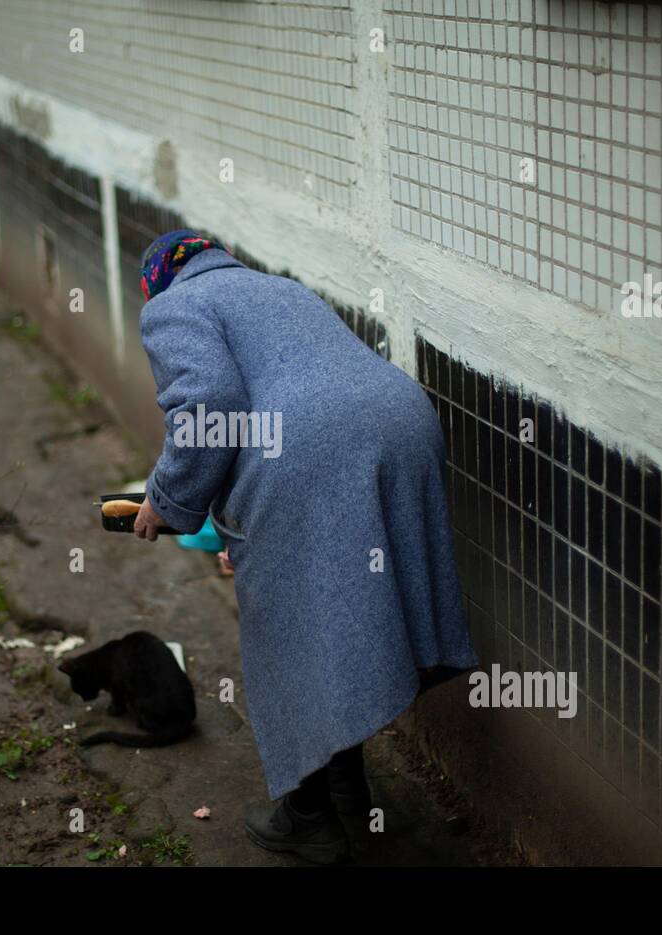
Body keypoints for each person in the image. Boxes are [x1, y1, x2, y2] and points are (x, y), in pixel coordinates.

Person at [131, 229, 477, 864]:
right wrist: (246, 530)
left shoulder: (171, 306)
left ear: (157, 279)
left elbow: (210, 404)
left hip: (312, 451)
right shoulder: (278, 287)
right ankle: (344, 784)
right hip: (400, 424)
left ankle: (308, 816)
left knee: (289, 624)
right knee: (339, 608)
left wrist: (165, 498)